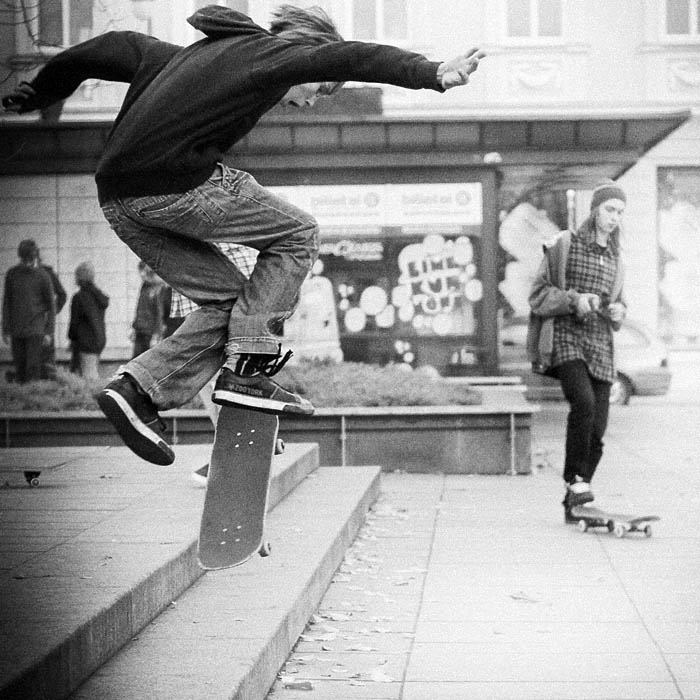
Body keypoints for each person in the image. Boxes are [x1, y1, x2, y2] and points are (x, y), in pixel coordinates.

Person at [2, 5, 485, 466]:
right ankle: (248, 371)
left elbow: (110, 47)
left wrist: (41, 90)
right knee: (299, 233)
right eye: (320, 88)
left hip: (120, 201)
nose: (310, 102)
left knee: (232, 303)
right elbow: (354, 56)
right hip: (177, 185)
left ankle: (137, 390)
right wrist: (432, 72)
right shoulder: (273, 55)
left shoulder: (182, 58)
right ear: (307, 54)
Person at [527, 180, 627, 522]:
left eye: (620, 212)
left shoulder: (617, 258)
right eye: (609, 209)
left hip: (601, 345)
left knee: (597, 434)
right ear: (595, 209)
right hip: (566, 337)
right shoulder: (565, 244)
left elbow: (619, 302)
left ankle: (574, 500)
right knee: (583, 404)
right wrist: (574, 300)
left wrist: (619, 311)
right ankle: (575, 479)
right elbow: (537, 295)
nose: (614, 218)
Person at [2, 239, 56, 383]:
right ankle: (23, 393)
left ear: (35, 257)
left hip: (36, 330)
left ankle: (33, 392)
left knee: (33, 368)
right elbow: (7, 302)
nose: (27, 263)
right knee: (19, 367)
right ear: (20, 258)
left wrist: (49, 332)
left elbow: (51, 306)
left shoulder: (43, 276)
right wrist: (5, 329)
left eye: (30, 260)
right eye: (24, 260)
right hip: (17, 329)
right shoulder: (12, 274)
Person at [68, 261, 110, 381]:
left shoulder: (79, 298)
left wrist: (71, 338)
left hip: (85, 342)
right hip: (99, 340)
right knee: (92, 371)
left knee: (89, 378)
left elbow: (74, 323)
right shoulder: (99, 296)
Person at [38, 250, 67, 380]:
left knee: (47, 355)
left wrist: (52, 312)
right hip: (36, 321)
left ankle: (47, 380)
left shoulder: (47, 273)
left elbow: (62, 294)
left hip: (44, 320)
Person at [131, 261, 165, 359]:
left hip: (149, 332)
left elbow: (159, 314)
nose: (141, 275)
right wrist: (134, 327)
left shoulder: (157, 288)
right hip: (140, 330)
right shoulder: (144, 287)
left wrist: (156, 335)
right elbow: (139, 308)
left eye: (144, 271)